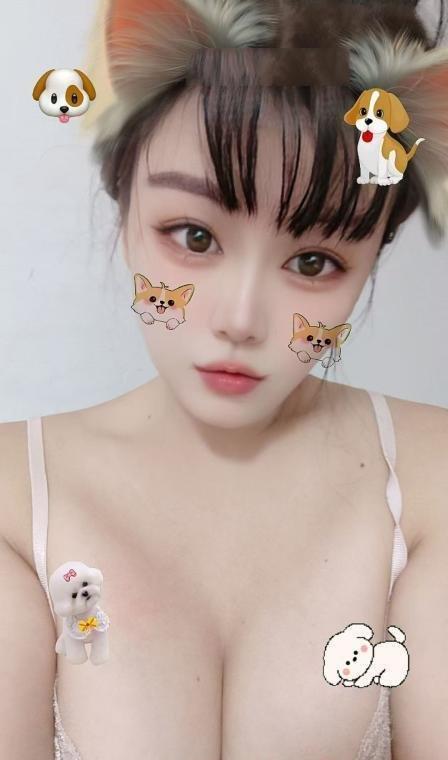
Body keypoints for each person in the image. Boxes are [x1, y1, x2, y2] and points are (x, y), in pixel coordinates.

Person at [1, 0, 447, 758]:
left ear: (375, 252)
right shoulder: (14, 505)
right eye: (195, 236)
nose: (241, 320)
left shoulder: (434, 487)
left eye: (314, 262)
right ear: (124, 199)